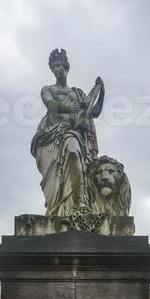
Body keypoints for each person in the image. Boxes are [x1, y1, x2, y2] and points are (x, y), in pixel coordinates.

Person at [31, 48, 105, 217]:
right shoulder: (47, 89)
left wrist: (102, 91)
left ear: (66, 67)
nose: (57, 70)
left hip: (71, 133)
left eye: (60, 66)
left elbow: (94, 112)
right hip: (49, 136)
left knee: (73, 152)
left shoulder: (78, 94)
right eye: (54, 67)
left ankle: (80, 204)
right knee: (54, 182)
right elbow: (50, 105)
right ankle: (56, 209)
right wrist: (72, 109)